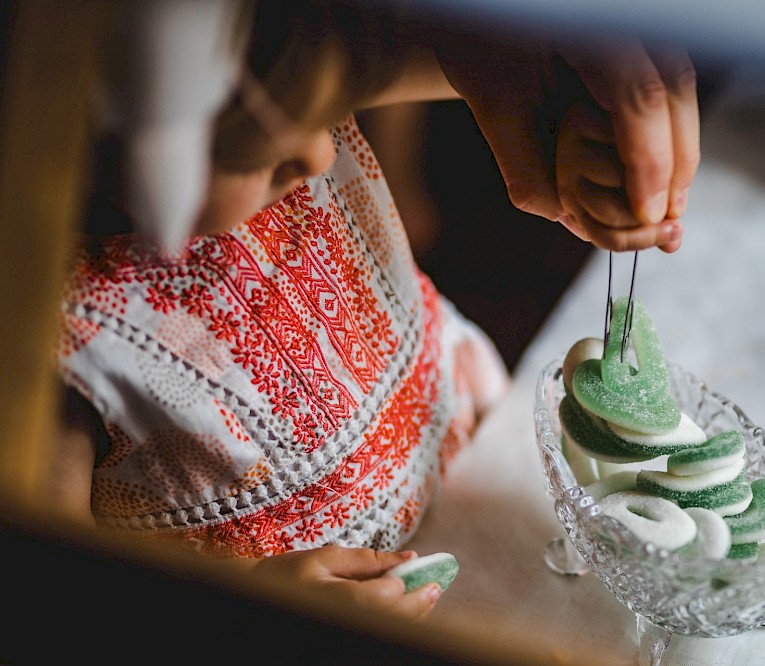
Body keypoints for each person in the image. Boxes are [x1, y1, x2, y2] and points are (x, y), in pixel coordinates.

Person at [49, 0, 701, 622]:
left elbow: (452, 52)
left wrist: (540, 80)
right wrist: (248, 611)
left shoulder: (281, 71)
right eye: (257, 150)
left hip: (473, 446)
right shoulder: (53, 339)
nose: (320, 153)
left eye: (327, 113)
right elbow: (64, 609)